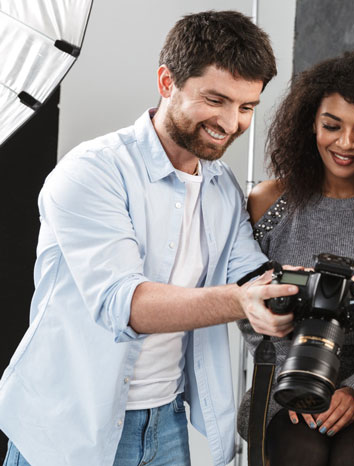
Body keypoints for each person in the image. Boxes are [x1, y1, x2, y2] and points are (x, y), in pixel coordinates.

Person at [0, 11, 300, 466]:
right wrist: (242, 301)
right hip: (68, 424)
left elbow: (249, 271)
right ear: (167, 81)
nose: (231, 122)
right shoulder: (93, 172)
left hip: (165, 422)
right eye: (215, 99)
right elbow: (125, 303)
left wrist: (294, 284)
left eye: (247, 107)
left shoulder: (221, 187)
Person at [237, 50, 354, 465]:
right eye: (331, 126)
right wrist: (298, 377)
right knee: (299, 450)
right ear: (310, 124)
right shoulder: (270, 202)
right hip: (287, 370)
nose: (345, 143)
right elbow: (243, 303)